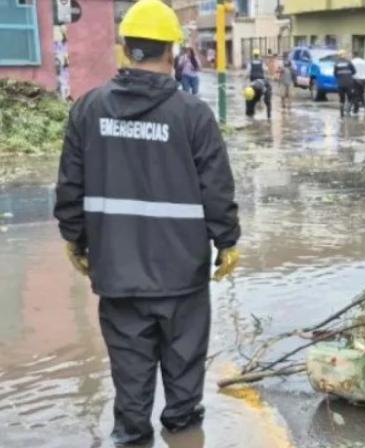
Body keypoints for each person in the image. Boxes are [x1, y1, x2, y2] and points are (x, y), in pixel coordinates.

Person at [53, 0, 241, 445]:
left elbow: (69, 189)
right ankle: (182, 431)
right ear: (171, 51)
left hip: (118, 275)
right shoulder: (193, 116)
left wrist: (74, 239)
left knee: (130, 379)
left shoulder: (87, 111)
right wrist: (227, 241)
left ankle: (132, 436)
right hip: (182, 277)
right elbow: (217, 190)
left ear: (125, 49)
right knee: (183, 382)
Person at [334, 49, 356, 118]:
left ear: (339, 56)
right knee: (350, 97)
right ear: (345, 55)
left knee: (341, 99)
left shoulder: (336, 63)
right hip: (349, 83)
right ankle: (348, 111)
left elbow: (335, 74)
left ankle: (341, 114)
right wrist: (348, 75)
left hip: (340, 84)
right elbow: (354, 71)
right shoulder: (349, 62)